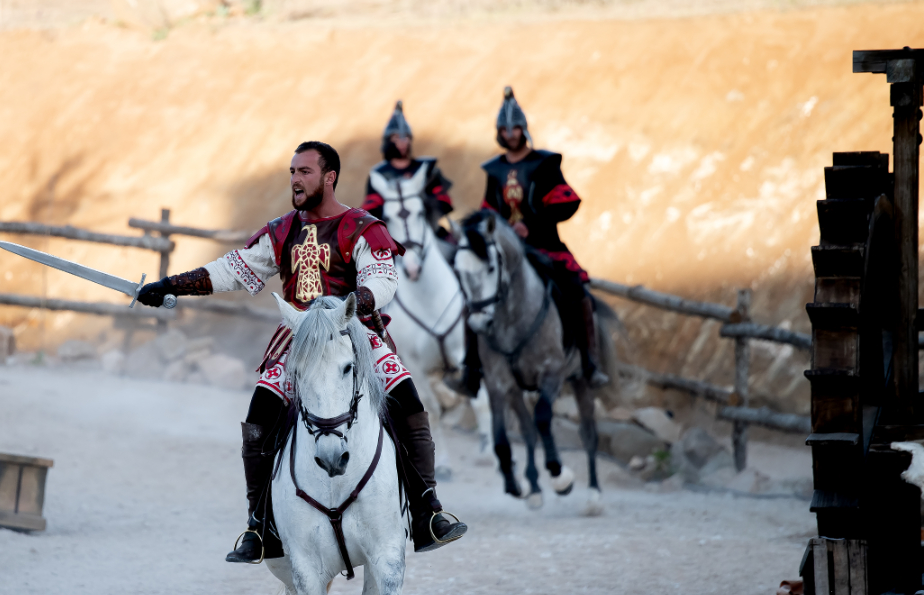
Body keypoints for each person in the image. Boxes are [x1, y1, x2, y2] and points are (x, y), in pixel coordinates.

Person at [136, 141, 467, 563]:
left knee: (406, 398)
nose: (295, 179)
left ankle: (426, 512)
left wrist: (351, 304)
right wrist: (169, 285)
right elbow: (231, 270)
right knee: (260, 413)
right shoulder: (281, 231)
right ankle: (260, 526)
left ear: (329, 177)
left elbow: (383, 279)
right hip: (297, 340)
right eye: (292, 171)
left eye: (304, 171)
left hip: (353, 333)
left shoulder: (361, 227)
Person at [450, 86, 609, 395]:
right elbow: (489, 211)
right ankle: (472, 371)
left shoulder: (544, 164)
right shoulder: (494, 169)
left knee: (578, 293)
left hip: (545, 247)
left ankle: (590, 363)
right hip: (505, 253)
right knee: (475, 301)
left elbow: (566, 201)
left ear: (524, 129)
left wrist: (532, 224)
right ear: (499, 132)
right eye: (505, 129)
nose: (511, 134)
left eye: (515, 128)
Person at [361, 100, 456, 254]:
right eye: (396, 138)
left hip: (430, 229)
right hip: (392, 236)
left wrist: (423, 206)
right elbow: (370, 209)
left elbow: (444, 201)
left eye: (405, 138)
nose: (402, 142)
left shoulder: (426, 169)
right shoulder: (379, 175)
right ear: (388, 141)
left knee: (460, 256)